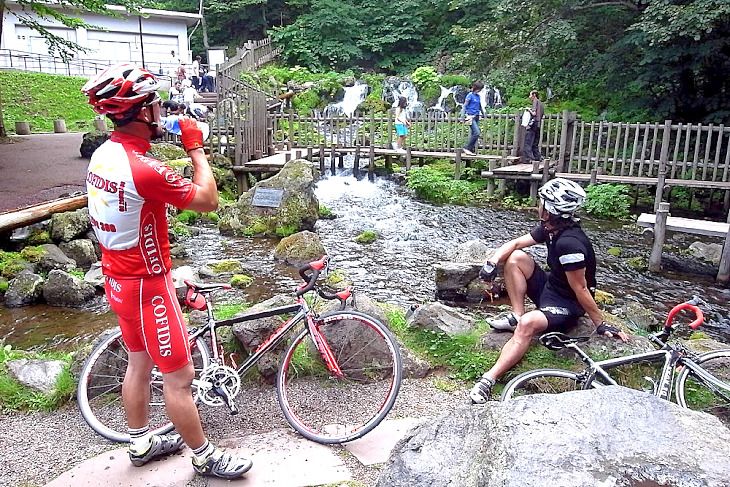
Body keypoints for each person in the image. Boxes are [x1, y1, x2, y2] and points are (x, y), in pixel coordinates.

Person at [81, 63, 252, 479]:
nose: (163, 110)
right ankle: (205, 456)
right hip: (147, 283)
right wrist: (195, 147)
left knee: (138, 363)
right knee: (179, 378)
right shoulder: (145, 169)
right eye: (156, 104)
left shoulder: (105, 154)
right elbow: (208, 199)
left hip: (116, 277)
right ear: (141, 113)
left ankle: (141, 442)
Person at [468, 178, 630, 404]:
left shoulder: (570, 244)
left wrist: (600, 323)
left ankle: (488, 380)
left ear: (551, 210)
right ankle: (516, 313)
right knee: (515, 259)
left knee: (528, 325)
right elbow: (515, 244)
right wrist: (492, 261)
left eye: (542, 202)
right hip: (551, 289)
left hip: (567, 304)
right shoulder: (551, 228)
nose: (538, 205)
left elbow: (581, 288)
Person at [461, 81, 485, 156]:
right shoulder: (469, 95)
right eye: (480, 89)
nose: (480, 90)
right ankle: (467, 148)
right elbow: (464, 106)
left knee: (473, 133)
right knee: (477, 133)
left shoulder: (478, 96)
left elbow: (479, 105)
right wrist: (462, 117)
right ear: (476, 88)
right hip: (470, 117)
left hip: (477, 116)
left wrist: (483, 113)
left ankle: (470, 150)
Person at [523, 90, 544, 161]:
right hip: (538, 124)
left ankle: (530, 159)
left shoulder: (535, 101)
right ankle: (538, 157)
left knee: (528, 142)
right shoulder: (541, 104)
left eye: (530, 95)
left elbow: (534, 113)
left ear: (534, 95)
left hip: (533, 123)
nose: (529, 97)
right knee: (535, 143)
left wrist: (528, 109)